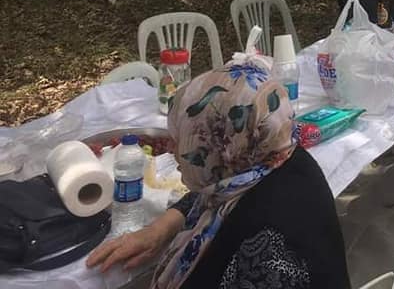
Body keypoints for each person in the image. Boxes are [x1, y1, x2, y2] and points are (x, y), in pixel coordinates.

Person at [86, 54, 351, 288]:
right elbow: (207, 195)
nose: (171, 149)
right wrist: (159, 229)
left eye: (183, 138)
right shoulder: (273, 159)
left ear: (222, 143)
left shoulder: (268, 243)